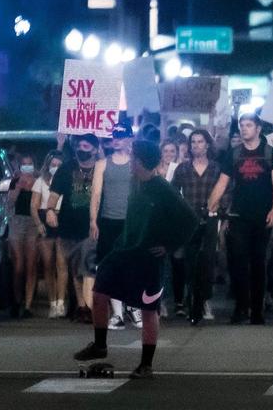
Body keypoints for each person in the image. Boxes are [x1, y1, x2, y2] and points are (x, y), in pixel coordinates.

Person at [72, 140, 198, 379]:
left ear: (140, 161)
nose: (129, 161)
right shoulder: (134, 182)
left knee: (149, 310)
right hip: (124, 251)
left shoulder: (161, 187)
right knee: (99, 292)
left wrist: (169, 245)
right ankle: (100, 344)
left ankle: (146, 364)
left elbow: (190, 220)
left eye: (133, 157)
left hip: (149, 257)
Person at [224, 113, 273, 325]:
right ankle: (241, 307)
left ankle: (257, 311)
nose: (244, 129)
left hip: (262, 217)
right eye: (241, 125)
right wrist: (212, 207)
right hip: (239, 216)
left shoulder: (270, 153)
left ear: (258, 128)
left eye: (248, 125)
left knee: (259, 263)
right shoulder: (233, 154)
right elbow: (222, 183)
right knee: (239, 263)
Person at [171, 129, 229, 325]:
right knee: (190, 264)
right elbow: (173, 194)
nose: (196, 145)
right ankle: (191, 302)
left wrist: (220, 208)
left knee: (206, 263)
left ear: (207, 145)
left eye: (200, 141)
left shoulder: (216, 169)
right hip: (189, 221)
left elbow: (227, 191)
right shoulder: (182, 169)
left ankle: (201, 301)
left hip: (210, 220)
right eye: (193, 142)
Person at [47, 134, 101, 324]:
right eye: (80, 145)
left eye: (87, 145)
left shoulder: (101, 168)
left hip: (93, 227)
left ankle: (89, 306)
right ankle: (82, 306)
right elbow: (54, 194)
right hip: (69, 226)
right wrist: (50, 210)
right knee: (76, 268)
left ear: (95, 149)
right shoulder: (66, 168)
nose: (82, 148)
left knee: (88, 266)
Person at [89, 124, 137, 330]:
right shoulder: (102, 164)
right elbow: (96, 194)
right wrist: (93, 220)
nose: (116, 139)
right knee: (110, 268)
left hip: (132, 222)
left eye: (120, 136)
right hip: (109, 221)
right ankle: (117, 313)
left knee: (133, 267)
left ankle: (134, 308)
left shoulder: (136, 163)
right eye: (114, 136)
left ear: (129, 138)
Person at [33, 151, 67, 319]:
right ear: (47, 165)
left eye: (59, 165)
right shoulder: (40, 182)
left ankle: (61, 303)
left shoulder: (66, 180)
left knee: (62, 264)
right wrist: (39, 224)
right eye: (53, 165)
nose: (56, 168)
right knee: (48, 264)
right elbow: (34, 206)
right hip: (45, 221)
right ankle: (52, 302)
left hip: (62, 221)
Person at [8, 153, 40, 319]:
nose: (27, 168)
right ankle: (16, 300)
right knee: (19, 265)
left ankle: (27, 305)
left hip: (33, 224)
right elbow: (9, 202)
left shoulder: (39, 181)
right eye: (24, 165)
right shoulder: (15, 181)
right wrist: (18, 186)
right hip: (17, 222)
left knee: (31, 265)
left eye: (30, 164)